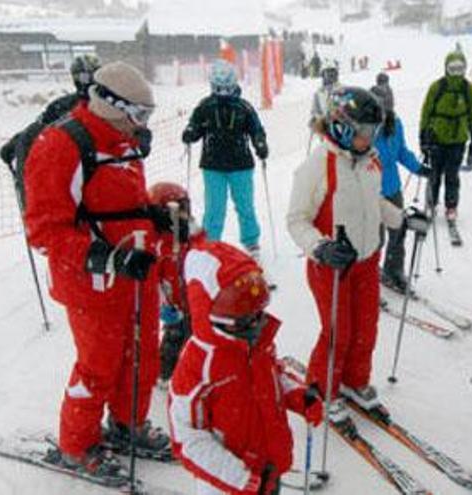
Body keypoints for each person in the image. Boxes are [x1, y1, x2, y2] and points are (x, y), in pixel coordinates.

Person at [24, 61, 170, 475]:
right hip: (92, 282)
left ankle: (127, 425)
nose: (141, 125)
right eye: (137, 114)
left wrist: (151, 217)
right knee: (99, 366)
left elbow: (119, 203)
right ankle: (77, 444)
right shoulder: (61, 145)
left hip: (136, 274)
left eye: (147, 116)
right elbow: (45, 230)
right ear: (109, 104)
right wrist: (107, 257)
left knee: (141, 356)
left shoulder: (124, 141)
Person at [286, 86, 409, 420]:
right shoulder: (317, 165)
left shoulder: (370, 161)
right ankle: (322, 386)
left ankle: (354, 381)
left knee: (366, 328)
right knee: (338, 331)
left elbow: (375, 203)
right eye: (365, 132)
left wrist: (402, 218)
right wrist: (320, 246)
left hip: (368, 261)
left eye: (374, 132)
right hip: (331, 266)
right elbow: (296, 220)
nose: (370, 139)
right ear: (342, 126)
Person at [168, 237, 324, 495]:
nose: (255, 326)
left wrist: (297, 394)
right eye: (243, 322)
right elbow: (189, 439)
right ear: (212, 315)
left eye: (258, 316)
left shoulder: (255, 342)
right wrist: (243, 480)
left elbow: (273, 375)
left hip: (268, 468)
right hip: (229, 485)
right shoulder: (198, 365)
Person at [182, 60, 269, 259]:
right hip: (213, 166)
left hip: (241, 165)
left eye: (226, 88)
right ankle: (210, 243)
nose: (222, 93)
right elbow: (195, 126)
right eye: (218, 88)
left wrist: (260, 144)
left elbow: (256, 129)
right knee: (214, 207)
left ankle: (251, 242)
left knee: (245, 205)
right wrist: (190, 133)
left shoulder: (243, 107)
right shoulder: (205, 106)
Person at [371, 75, 432, 292]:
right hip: (370, 192)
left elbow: (401, 152)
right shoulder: (366, 127)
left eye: (388, 107)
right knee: (373, 239)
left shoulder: (395, 124)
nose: (384, 112)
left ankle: (393, 270)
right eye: (380, 108)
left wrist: (419, 169)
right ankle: (367, 276)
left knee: (398, 230)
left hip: (392, 188)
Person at [0, 54, 101, 170]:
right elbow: (38, 126)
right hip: (71, 166)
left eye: (96, 76)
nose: (91, 81)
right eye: (86, 77)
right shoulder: (62, 106)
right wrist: (15, 143)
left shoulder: (110, 103)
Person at [419, 50, 472, 217]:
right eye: (452, 69)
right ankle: (431, 202)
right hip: (437, 138)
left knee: (452, 175)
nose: (456, 73)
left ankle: (451, 205)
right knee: (435, 174)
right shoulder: (437, 87)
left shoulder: (468, 89)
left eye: (460, 69)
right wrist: (423, 137)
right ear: (446, 68)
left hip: (458, 139)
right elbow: (426, 112)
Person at [148, 182, 197, 382]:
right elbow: (152, 280)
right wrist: (162, 304)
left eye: (186, 207)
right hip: (173, 301)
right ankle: (163, 374)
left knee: (194, 333)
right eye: (179, 209)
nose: (184, 215)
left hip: (192, 297)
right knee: (175, 335)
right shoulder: (158, 244)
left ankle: (190, 367)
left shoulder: (189, 236)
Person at [310, 58, 339, 126]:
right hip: (326, 126)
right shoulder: (319, 93)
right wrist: (315, 119)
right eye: (328, 73)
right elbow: (314, 111)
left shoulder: (343, 89)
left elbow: (351, 105)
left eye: (333, 72)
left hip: (341, 123)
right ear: (323, 75)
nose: (330, 75)